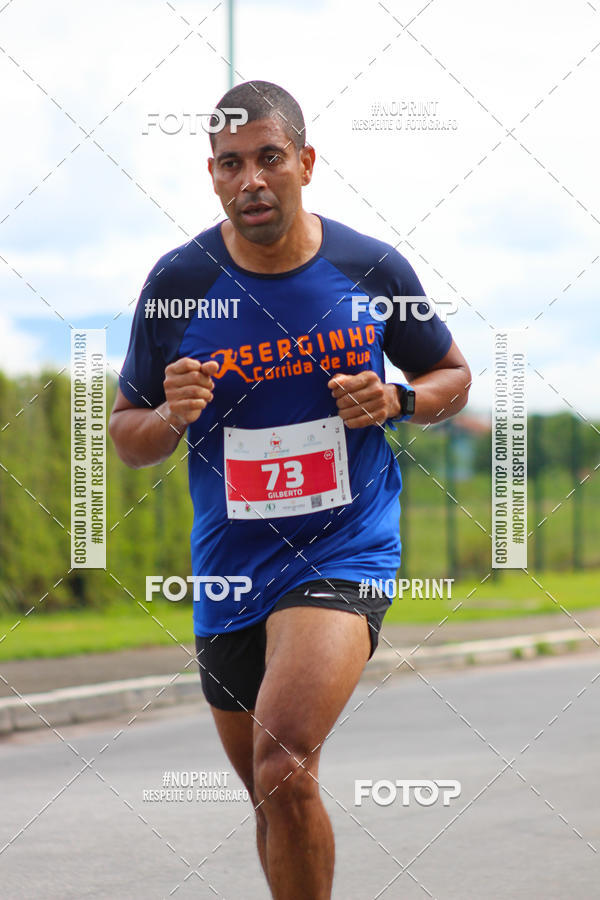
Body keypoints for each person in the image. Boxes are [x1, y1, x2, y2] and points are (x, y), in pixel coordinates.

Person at [109, 80, 471, 899]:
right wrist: (170, 413)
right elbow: (127, 434)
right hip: (230, 568)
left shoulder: (370, 267)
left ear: (305, 162)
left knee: (285, 757)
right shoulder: (178, 284)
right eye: (232, 165)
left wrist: (401, 400)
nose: (252, 181)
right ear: (212, 176)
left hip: (344, 547)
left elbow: (450, 374)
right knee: (273, 792)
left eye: (270, 159)